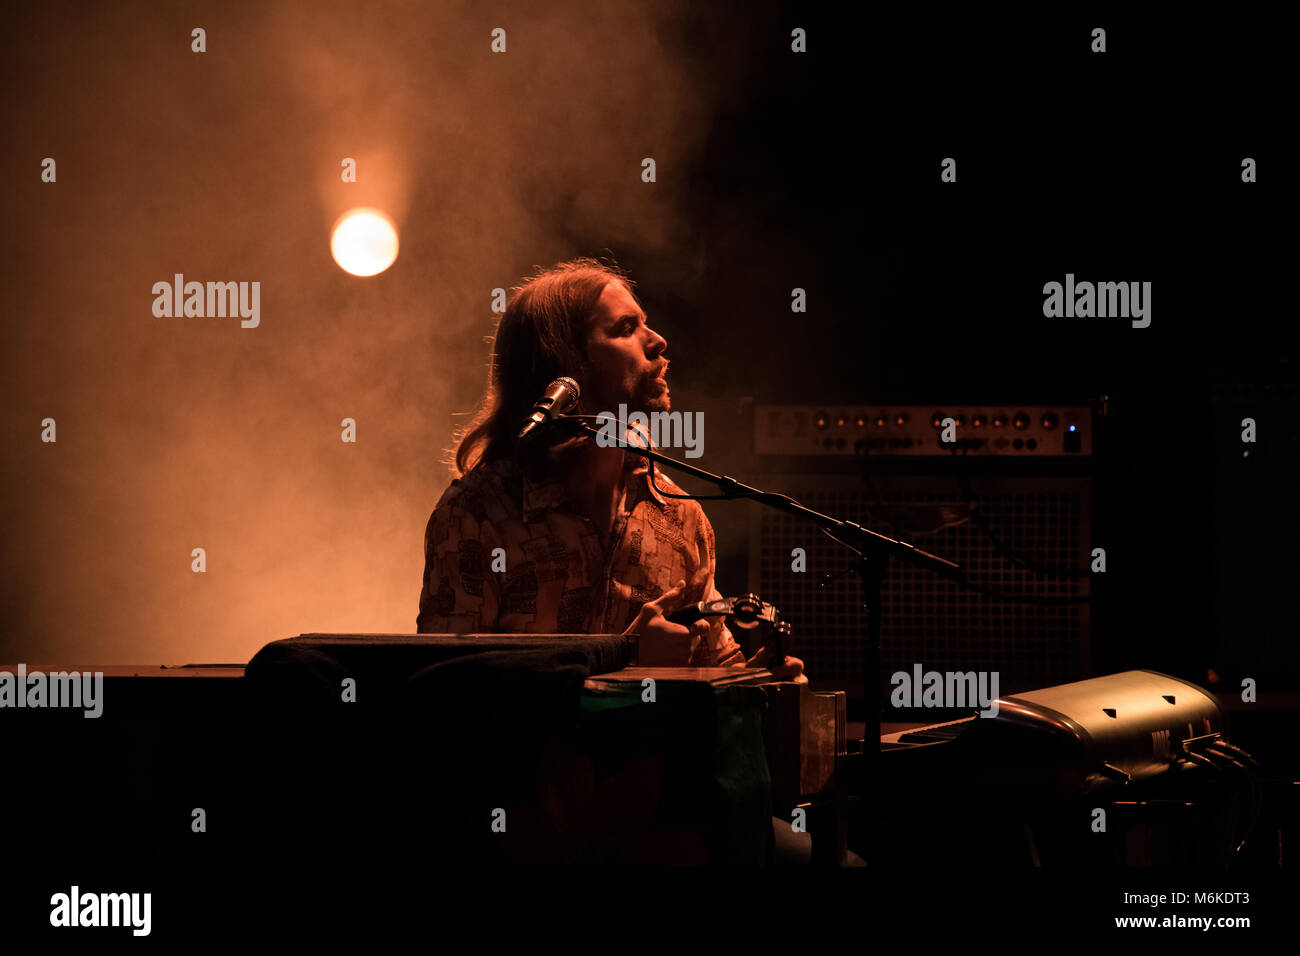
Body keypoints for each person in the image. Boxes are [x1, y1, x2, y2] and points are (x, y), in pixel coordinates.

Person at [417, 256, 804, 681]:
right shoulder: (477, 514)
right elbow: (449, 694)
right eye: (625, 329)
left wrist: (756, 680)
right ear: (567, 364)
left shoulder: (679, 514)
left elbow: (709, 668)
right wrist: (627, 660)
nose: (658, 342)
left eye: (646, 324)